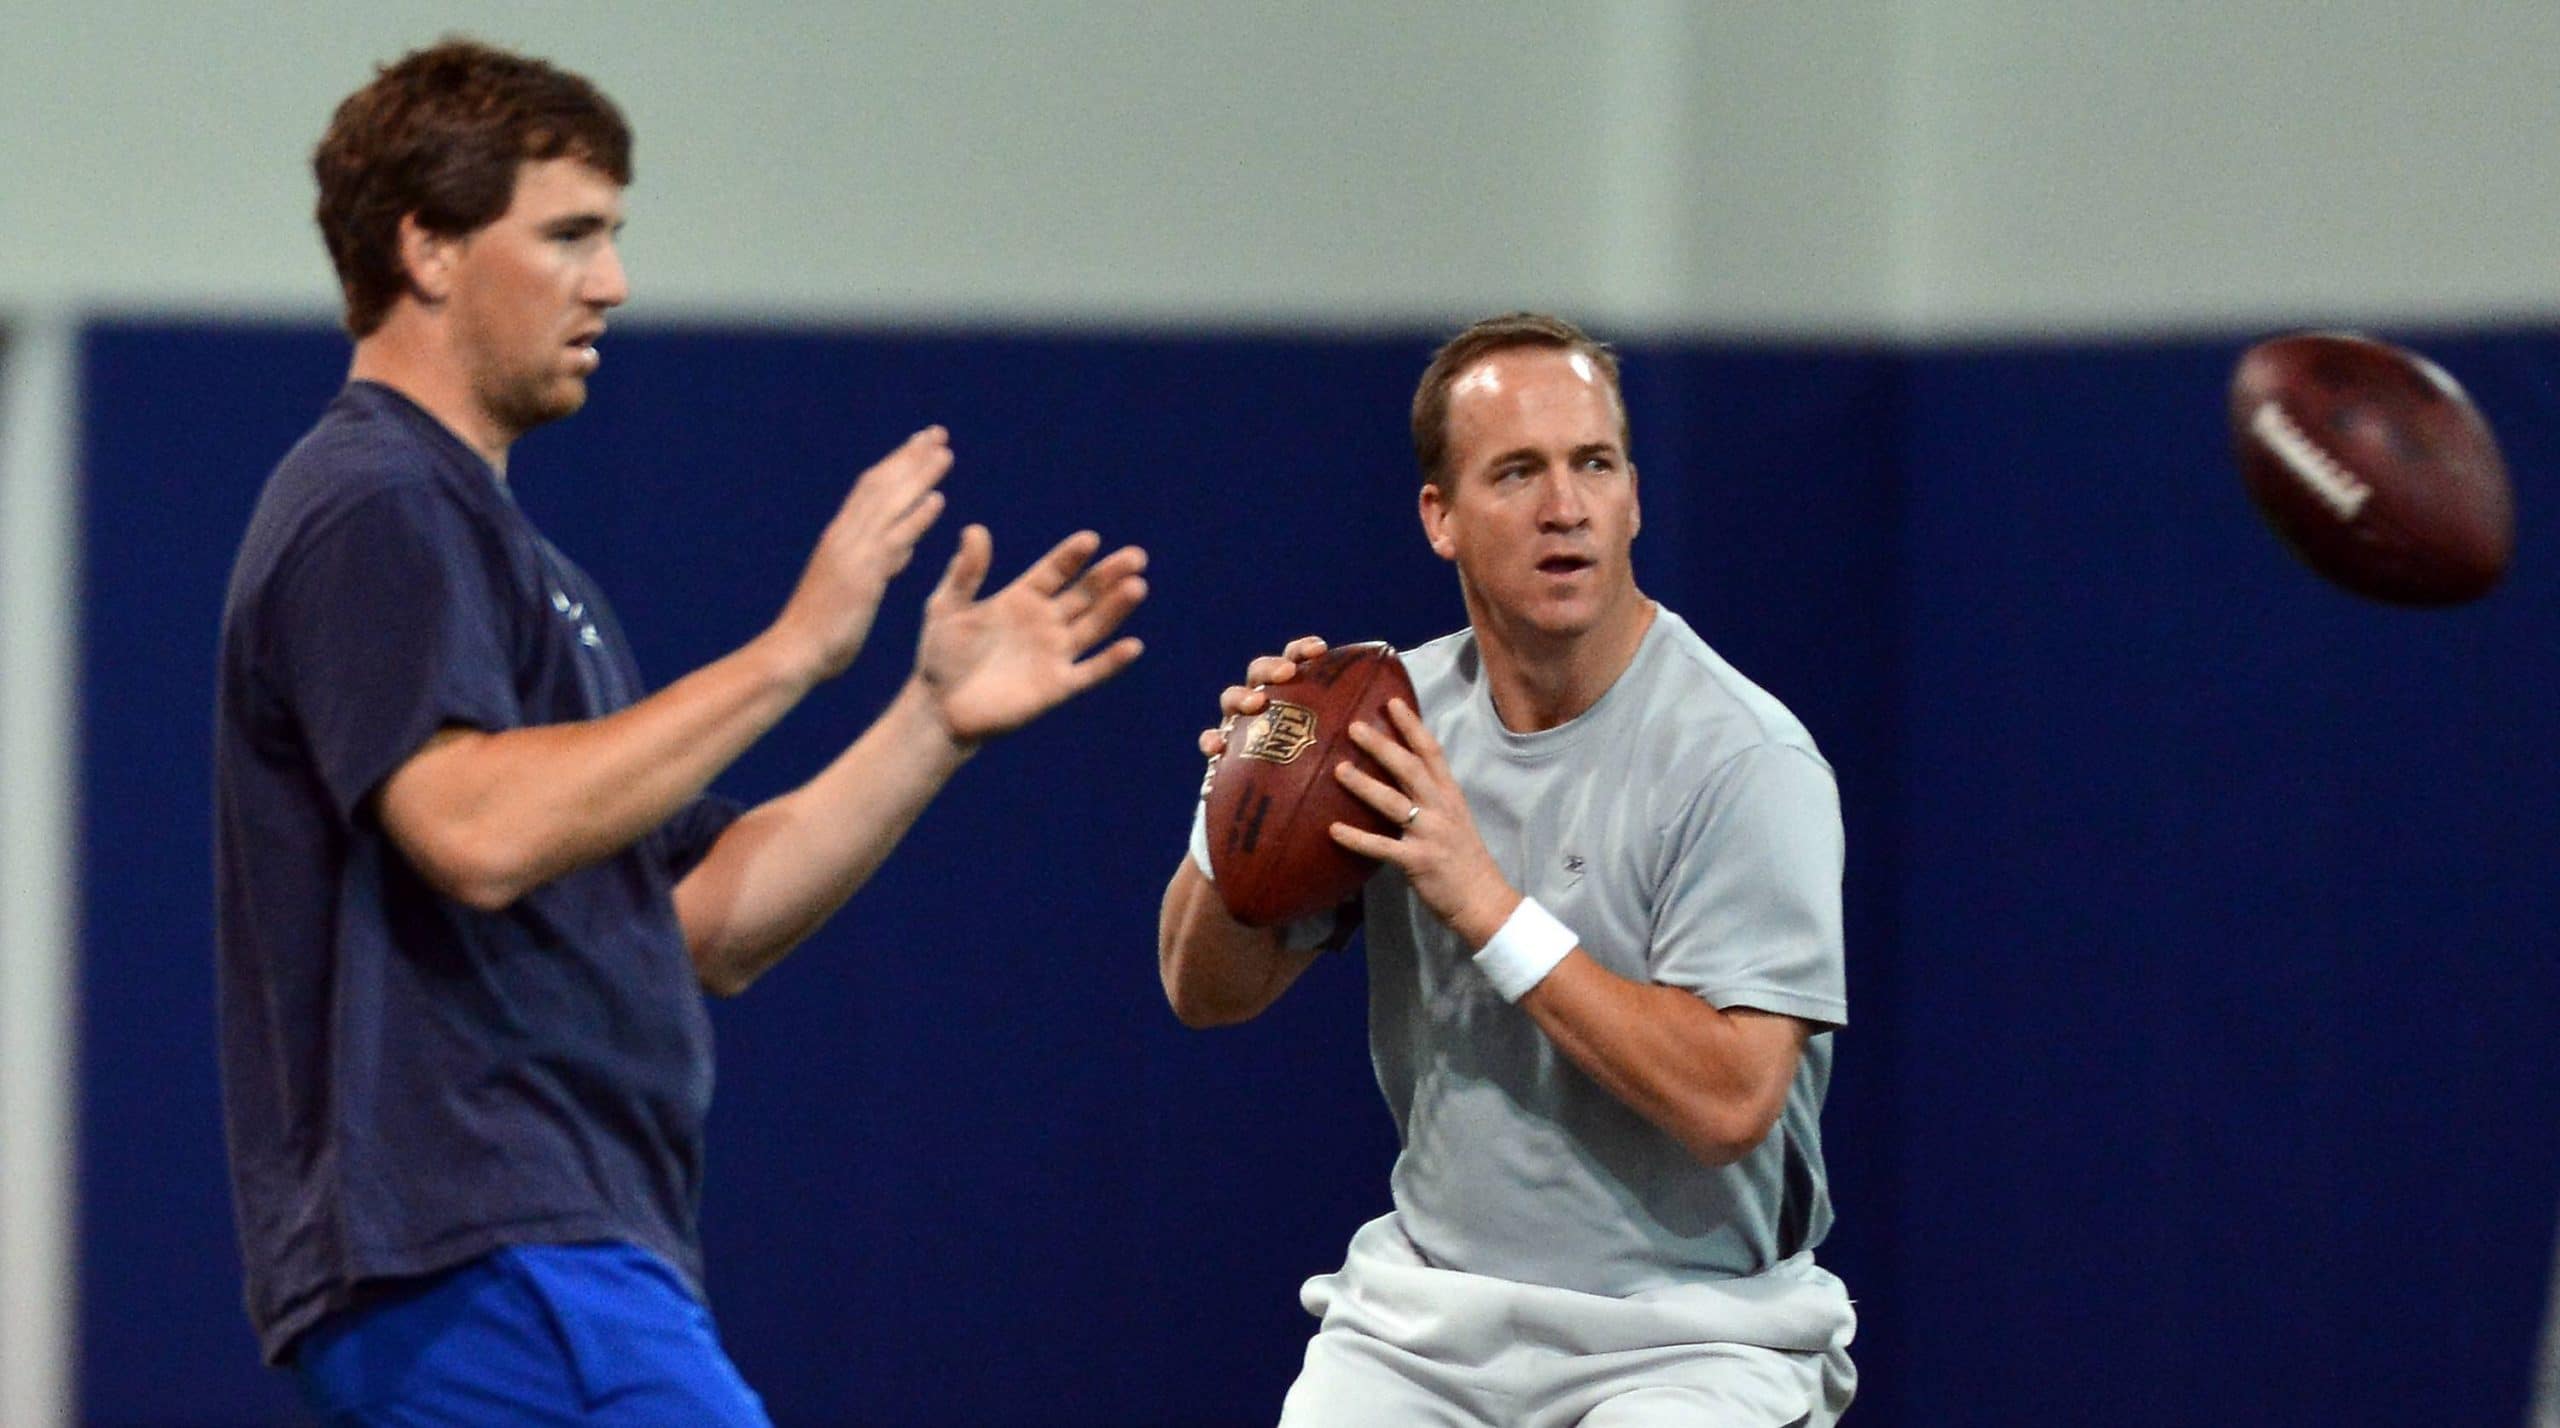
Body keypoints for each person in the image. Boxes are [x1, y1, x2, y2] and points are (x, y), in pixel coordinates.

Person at [214, 39, 1147, 1425]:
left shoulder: (522, 565)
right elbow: (471, 828)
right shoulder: (376, 503)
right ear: (427, 249)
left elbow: (704, 921)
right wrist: (794, 652)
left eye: (615, 237)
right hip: (488, 1257)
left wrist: (928, 721)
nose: (614, 282)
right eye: (572, 236)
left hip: (562, 1253)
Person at [1158, 312, 1855, 1426]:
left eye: (1594, 464)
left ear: (1633, 496)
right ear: (1440, 518)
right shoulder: (1382, 726)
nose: (1564, 508)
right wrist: (1240, 800)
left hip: (1692, 1332)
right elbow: (1200, 990)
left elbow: (1732, 1102)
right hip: (1427, 1322)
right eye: (1517, 472)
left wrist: (1483, 903)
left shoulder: (1743, 760)